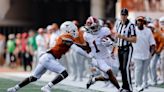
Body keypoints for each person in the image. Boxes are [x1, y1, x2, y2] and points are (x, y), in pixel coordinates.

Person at [7, 21, 90, 92]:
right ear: (68, 30)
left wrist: (84, 45)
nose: (74, 31)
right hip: (48, 58)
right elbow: (76, 48)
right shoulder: (66, 37)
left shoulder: (64, 37)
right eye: (72, 29)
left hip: (46, 57)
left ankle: (15, 88)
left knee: (34, 77)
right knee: (64, 73)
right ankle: (47, 86)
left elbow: (76, 45)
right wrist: (88, 55)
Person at [80, 16, 122, 91]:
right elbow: (87, 48)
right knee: (109, 71)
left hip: (107, 55)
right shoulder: (86, 35)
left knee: (107, 77)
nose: (95, 29)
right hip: (97, 58)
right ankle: (120, 89)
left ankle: (94, 79)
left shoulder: (104, 30)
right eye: (93, 27)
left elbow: (114, 42)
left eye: (96, 26)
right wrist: (75, 44)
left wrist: (110, 43)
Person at [114, 8, 136, 92]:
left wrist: (123, 37)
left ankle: (130, 88)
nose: (123, 16)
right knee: (121, 68)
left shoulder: (131, 25)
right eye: (122, 15)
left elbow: (134, 39)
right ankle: (124, 86)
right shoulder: (118, 24)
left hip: (127, 48)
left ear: (127, 15)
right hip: (120, 48)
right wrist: (113, 48)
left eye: (124, 15)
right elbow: (116, 37)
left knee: (126, 68)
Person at [132, 16, 156, 91]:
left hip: (146, 54)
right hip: (136, 54)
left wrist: (151, 54)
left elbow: (152, 43)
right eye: (138, 21)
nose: (139, 22)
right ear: (136, 22)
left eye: (141, 21)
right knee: (138, 69)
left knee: (145, 70)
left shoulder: (148, 31)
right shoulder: (133, 30)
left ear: (144, 22)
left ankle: (144, 83)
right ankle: (137, 85)